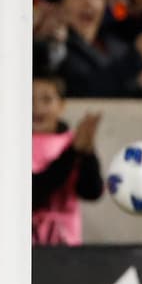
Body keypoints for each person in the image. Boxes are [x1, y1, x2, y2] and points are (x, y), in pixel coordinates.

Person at [32, 70, 104, 246]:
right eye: (29, 99)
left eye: (46, 100)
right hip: (22, 249)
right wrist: (73, 152)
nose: (37, 107)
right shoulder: (13, 145)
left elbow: (91, 191)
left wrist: (86, 153)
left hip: (66, 245)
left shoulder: (73, 141)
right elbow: (33, 193)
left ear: (62, 105)